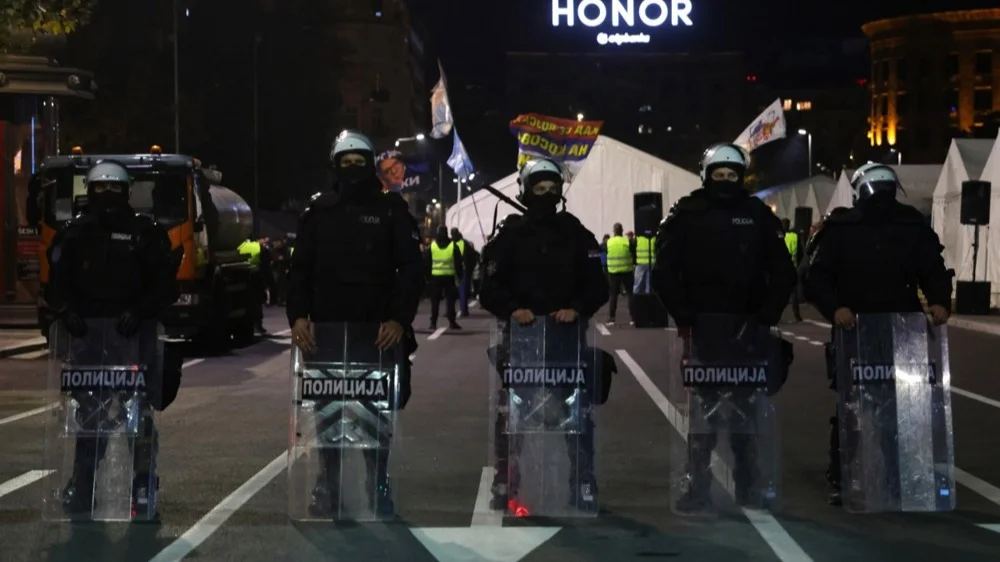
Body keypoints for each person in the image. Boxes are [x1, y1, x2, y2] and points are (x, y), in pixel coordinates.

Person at [286, 130, 424, 516]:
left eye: (359, 161)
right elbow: (299, 271)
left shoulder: (391, 211)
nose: (352, 167)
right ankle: (327, 484)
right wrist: (298, 317)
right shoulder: (318, 212)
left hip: (376, 333)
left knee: (374, 413)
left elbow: (411, 270)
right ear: (335, 166)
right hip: (325, 333)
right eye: (345, 162)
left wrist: (398, 319)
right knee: (327, 412)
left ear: (370, 165)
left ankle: (377, 483)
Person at [653, 142, 796, 512]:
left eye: (733, 174)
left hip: (749, 329)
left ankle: (749, 485)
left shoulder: (757, 214)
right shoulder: (686, 214)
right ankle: (697, 488)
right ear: (706, 176)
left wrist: (768, 313)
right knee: (703, 411)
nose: (726, 180)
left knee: (746, 411)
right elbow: (664, 271)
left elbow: (783, 270)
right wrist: (683, 315)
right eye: (719, 174)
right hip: (702, 328)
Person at [804, 162, 952, 506]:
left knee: (902, 405)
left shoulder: (910, 225)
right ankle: (842, 476)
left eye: (886, 190)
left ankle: (896, 475)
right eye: (875, 189)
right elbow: (817, 277)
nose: (880, 197)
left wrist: (940, 301)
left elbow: (933, 268)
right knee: (852, 405)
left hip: (903, 327)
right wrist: (835, 308)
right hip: (854, 327)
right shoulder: (841, 228)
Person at [45, 160, 176, 516]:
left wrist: (141, 311)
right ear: (89, 191)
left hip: (134, 338)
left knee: (139, 414)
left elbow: (165, 285)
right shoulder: (74, 233)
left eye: (114, 187)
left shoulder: (145, 233)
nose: (107, 194)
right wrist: (65, 311)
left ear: (126, 191)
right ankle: (82, 483)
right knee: (89, 415)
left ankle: (143, 484)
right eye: (99, 188)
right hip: (87, 340)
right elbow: (56, 283)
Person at [479, 157, 610, 511]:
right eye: (540, 188)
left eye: (553, 187)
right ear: (525, 191)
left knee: (577, 413)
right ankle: (505, 480)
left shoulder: (576, 233)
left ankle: (582, 480)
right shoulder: (509, 236)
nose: (547, 193)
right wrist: (512, 309)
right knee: (511, 414)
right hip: (521, 340)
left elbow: (598, 284)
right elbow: (488, 287)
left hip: (567, 339)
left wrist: (577, 308)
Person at [425, 226, 463, 330]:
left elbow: (427, 262)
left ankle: (433, 323)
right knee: (450, 301)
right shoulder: (453, 245)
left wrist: (427, 277)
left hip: (435, 277)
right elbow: (458, 263)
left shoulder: (432, 246)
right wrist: (460, 276)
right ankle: (452, 322)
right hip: (449, 277)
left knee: (435, 302)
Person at [604, 223, 634, 325]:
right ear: (622, 231)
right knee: (630, 294)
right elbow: (633, 253)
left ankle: (611, 318)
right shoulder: (627, 241)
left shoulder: (609, 242)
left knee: (613, 295)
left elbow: (603, 252)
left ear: (614, 231)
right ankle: (633, 318)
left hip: (613, 272)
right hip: (627, 271)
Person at [237, 235, 268, 333]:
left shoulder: (239, 246)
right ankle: (257, 324)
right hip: (255, 277)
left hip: (240, 276)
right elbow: (266, 265)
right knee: (257, 302)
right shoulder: (259, 247)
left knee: (246, 301)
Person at [451, 227, 478, 317]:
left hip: (453, 269)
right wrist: (470, 268)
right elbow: (474, 256)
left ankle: (451, 311)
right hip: (464, 269)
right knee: (463, 290)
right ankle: (464, 310)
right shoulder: (465, 243)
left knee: (451, 292)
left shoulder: (450, 243)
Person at [781, 218, 803, 322]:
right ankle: (797, 315)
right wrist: (797, 263)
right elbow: (800, 252)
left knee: (780, 292)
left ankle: (777, 314)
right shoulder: (794, 236)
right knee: (794, 292)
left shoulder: (778, 236)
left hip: (781, 268)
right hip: (792, 266)